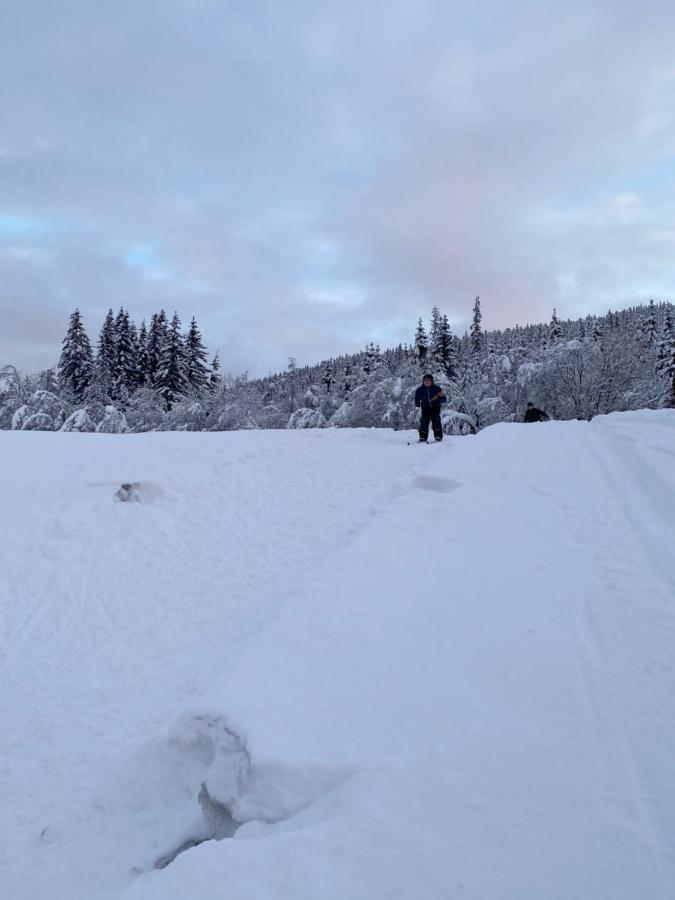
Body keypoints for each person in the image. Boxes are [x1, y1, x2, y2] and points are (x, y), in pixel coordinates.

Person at [414, 374, 447, 442]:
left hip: (435, 408)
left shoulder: (437, 388)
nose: (427, 382)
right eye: (425, 380)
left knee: (436, 421)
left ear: (432, 381)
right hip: (425, 408)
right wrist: (417, 403)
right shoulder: (420, 389)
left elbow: (444, 399)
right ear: (423, 381)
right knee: (424, 422)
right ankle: (423, 437)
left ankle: (438, 436)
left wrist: (438, 399)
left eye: (428, 380)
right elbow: (417, 396)